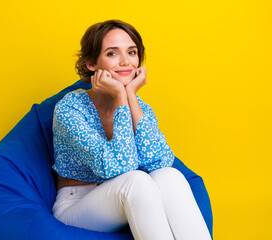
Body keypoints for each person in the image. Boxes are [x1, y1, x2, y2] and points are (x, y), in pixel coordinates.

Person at [51, 20, 211, 240]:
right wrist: (120, 96)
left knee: (170, 176)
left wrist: (131, 97)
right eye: (112, 54)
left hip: (128, 198)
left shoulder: (141, 107)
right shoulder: (70, 109)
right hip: (77, 205)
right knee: (137, 181)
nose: (126, 62)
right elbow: (119, 168)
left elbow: (161, 162)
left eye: (132, 52)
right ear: (91, 64)